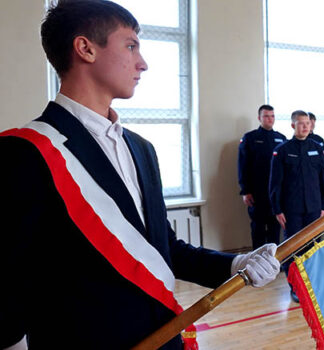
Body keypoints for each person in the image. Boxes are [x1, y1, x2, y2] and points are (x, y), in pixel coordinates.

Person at [1, 2, 280, 348]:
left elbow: (165, 250)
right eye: (130, 45)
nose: (142, 63)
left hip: (162, 337)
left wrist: (236, 262)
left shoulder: (141, 149)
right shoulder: (25, 151)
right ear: (85, 48)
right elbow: (7, 277)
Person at [270, 110, 324, 301]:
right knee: (293, 248)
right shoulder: (283, 150)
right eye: (301, 123)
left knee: (313, 247)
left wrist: (323, 206)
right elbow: (275, 183)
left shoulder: (317, 148)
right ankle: (295, 287)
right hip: (291, 209)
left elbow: (323, 180)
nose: (305, 126)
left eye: (308, 123)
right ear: (293, 125)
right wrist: (277, 209)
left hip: (314, 207)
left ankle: (313, 284)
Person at [238, 105, 287, 248]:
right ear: (259, 118)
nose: (270, 119)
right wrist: (245, 190)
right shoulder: (250, 138)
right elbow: (243, 166)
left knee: (274, 228)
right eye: (266, 116)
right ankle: (258, 263)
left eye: (272, 116)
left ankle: (272, 263)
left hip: (276, 193)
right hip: (257, 192)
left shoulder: (281, 138)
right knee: (258, 228)